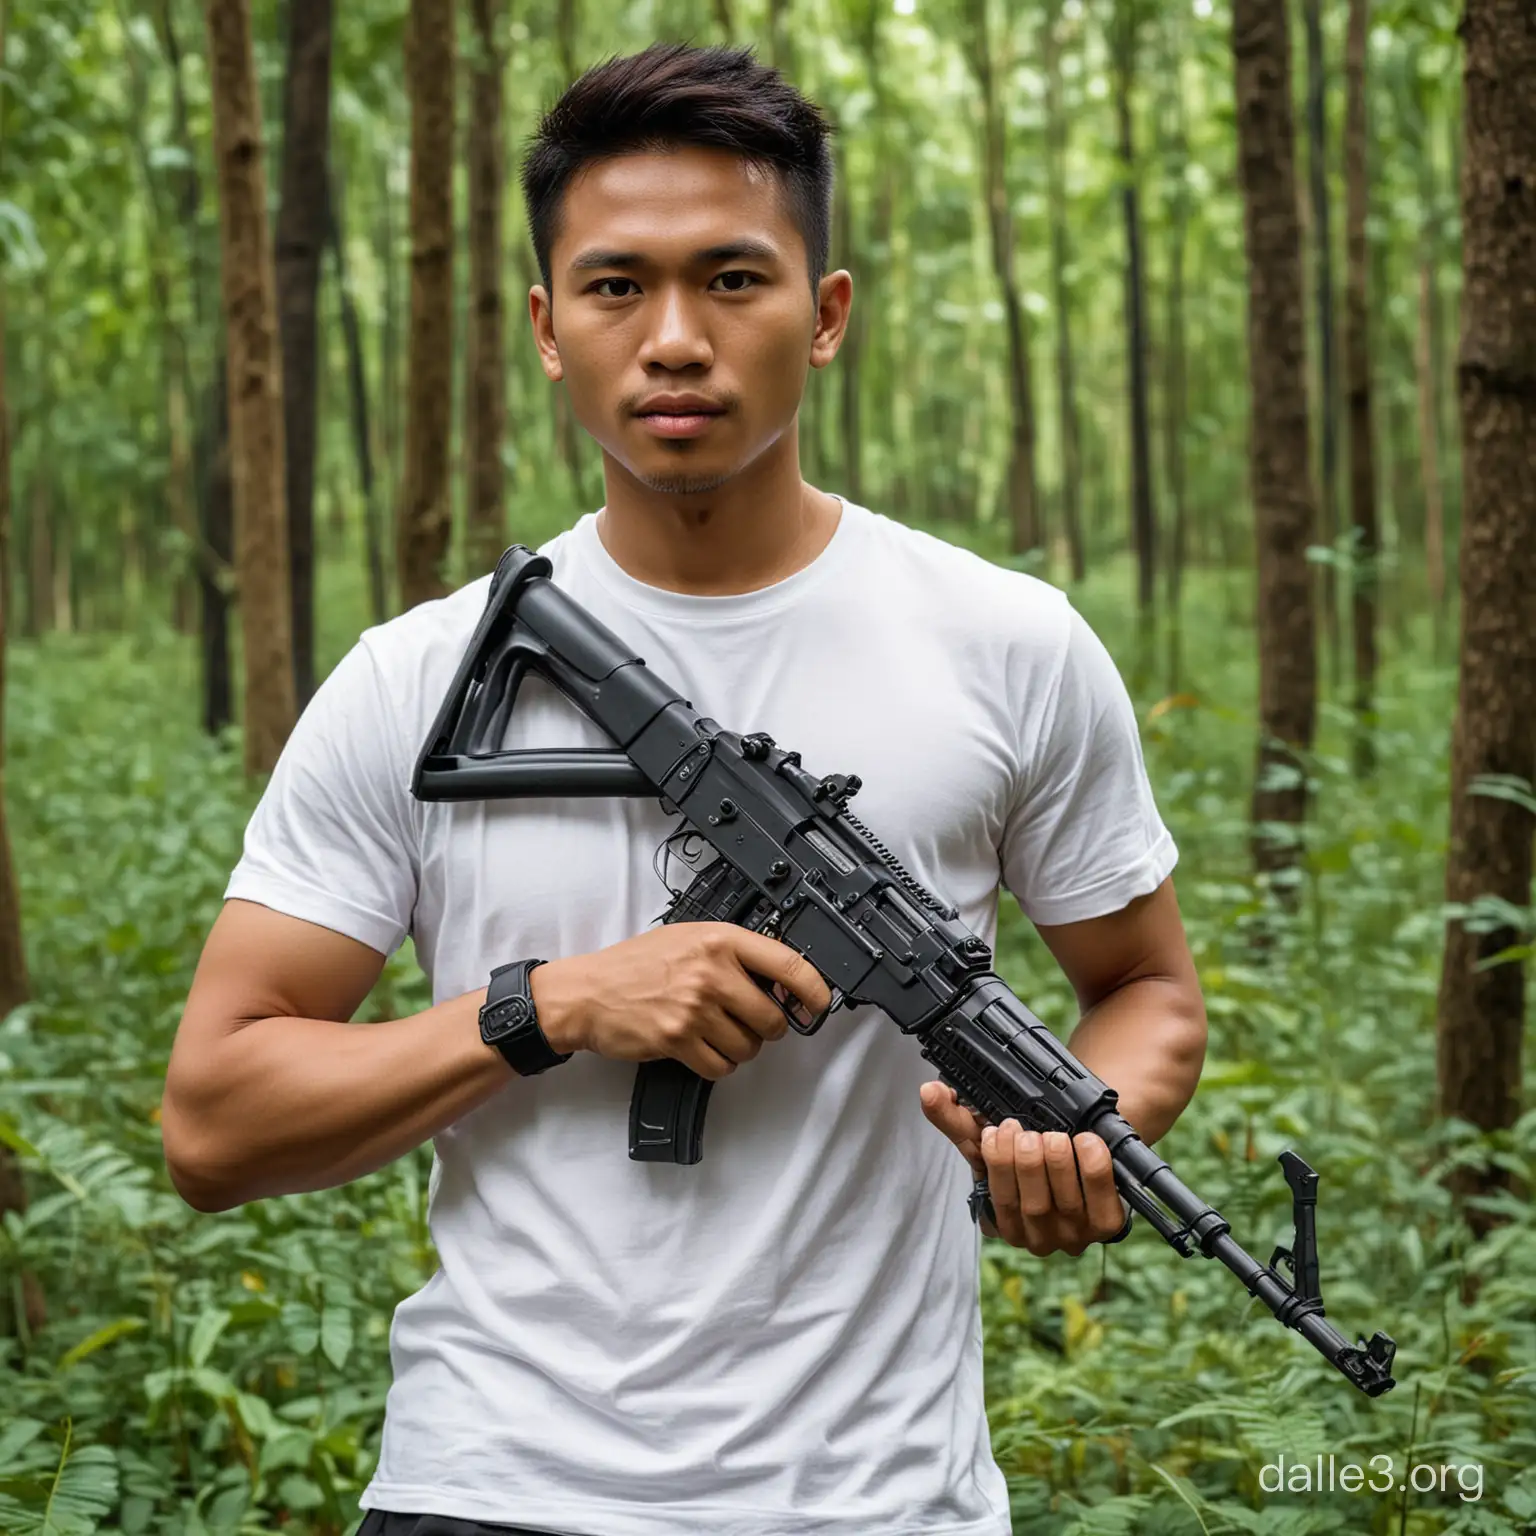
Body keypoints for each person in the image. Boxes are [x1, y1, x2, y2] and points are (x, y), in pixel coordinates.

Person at [161, 41, 1207, 1536]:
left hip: (881, 1501)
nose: (672, 340)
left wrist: (1082, 1137)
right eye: (612, 287)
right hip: (491, 1486)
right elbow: (210, 1121)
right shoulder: (413, 678)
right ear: (543, 326)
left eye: (732, 279)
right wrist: (552, 1007)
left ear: (825, 313)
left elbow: (1149, 992)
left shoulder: (1007, 643)